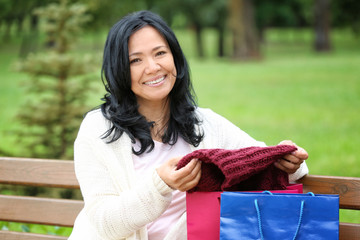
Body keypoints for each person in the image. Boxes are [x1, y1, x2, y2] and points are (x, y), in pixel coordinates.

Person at [68, 10, 308, 240]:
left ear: (175, 57)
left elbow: (259, 159)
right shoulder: (97, 130)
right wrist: (159, 186)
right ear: (118, 69)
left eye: (160, 53)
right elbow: (105, 223)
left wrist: (286, 159)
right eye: (135, 60)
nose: (152, 67)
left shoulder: (206, 124)